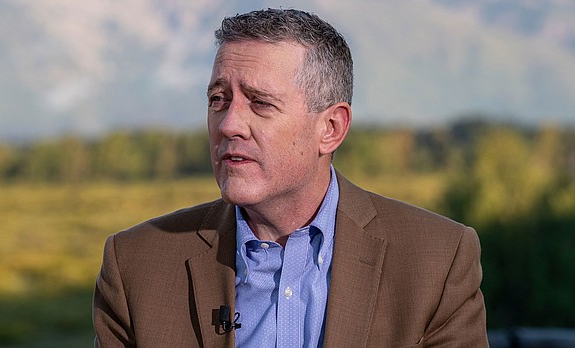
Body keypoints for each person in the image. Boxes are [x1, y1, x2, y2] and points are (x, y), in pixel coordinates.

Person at [93, 8, 489, 347]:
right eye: (218, 100)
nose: (229, 124)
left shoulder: (436, 261)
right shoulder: (134, 267)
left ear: (331, 128)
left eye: (260, 103)